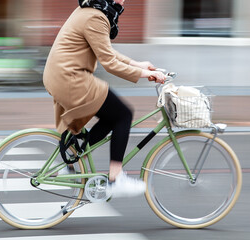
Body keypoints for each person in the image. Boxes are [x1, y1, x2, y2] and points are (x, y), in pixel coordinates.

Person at [43, 0, 166, 198]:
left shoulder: (91, 9)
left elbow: (105, 49)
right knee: (123, 114)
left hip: (62, 75)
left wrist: (137, 64)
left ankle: (71, 156)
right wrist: (143, 73)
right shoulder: (96, 16)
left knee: (111, 116)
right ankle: (116, 179)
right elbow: (109, 63)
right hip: (70, 78)